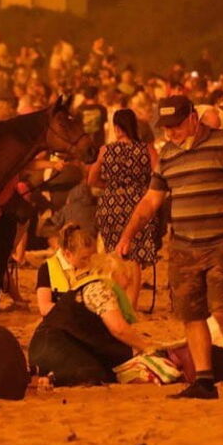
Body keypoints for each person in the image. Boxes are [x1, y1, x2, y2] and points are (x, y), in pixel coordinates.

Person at [115, 95, 223, 399]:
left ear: (193, 118)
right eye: (166, 127)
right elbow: (151, 200)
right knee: (191, 314)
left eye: (176, 125)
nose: (171, 132)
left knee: (222, 308)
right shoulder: (168, 155)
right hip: (183, 246)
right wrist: (128, 234)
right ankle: (205, 380)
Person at [28, 256, 156, 387]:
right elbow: (118, 329)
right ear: (113, 274)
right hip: (55, 347)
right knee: (93, 373)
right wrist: (147, 347)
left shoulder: (88, 286)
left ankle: (40, 374)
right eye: (124, 274)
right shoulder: (100, 289)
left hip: (47, 346)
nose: (128, 280)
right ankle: (50, 379)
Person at [88, 108, 159, 309]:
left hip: (111, 205)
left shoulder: (105, 150)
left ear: (117, 128)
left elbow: (91, 179)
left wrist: (111, 187)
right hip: (139, 203)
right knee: (134, 255)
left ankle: (117, 301)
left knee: (116, 253)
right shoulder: (147, 149)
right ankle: (131, 304)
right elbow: (159, 175)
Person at [35, 223, 98, 316]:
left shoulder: (95, 265)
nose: (89, 262)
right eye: (84, 258)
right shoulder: (47, 268)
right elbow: (44, 307)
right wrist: (76, 312)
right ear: (68, 254)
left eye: (92, 257)